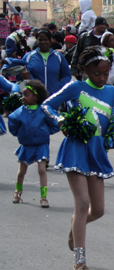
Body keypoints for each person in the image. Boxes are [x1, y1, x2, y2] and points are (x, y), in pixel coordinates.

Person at [42, 46, 114, 270]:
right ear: (85, 70)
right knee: (82, 204)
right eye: (96, 73)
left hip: (96, 152)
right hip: (76, 148)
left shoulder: (111, 91)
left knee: (97, 211)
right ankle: (79, 263)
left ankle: (75, 225)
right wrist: (62, 120)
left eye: (106, 73)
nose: (102, 77)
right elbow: (48, 105)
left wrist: (110, 126)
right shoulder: (76, 87)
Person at [8, 80, 59, 208]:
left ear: (36, 97)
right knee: (22, 171)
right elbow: (13, 123)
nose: (23, 97)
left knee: (42, 170)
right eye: (23, 95)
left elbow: (54, 122)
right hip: (27, 145)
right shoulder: (20, 112)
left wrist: (46, 132)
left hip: (41, 145)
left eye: (26, 95)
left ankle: (43, 197)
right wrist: (21, 134)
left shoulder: (44, 111)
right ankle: (17, 191)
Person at [23, 29, 71, 94]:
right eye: (40, 40)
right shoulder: (29, 56)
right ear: (37, 41)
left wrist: (60, 88)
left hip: (54, 97)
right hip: (35, 97)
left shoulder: (58, 56)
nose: (43, 42)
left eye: (45, 39)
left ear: (50, 40)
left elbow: (66, 75)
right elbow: (20, 74)